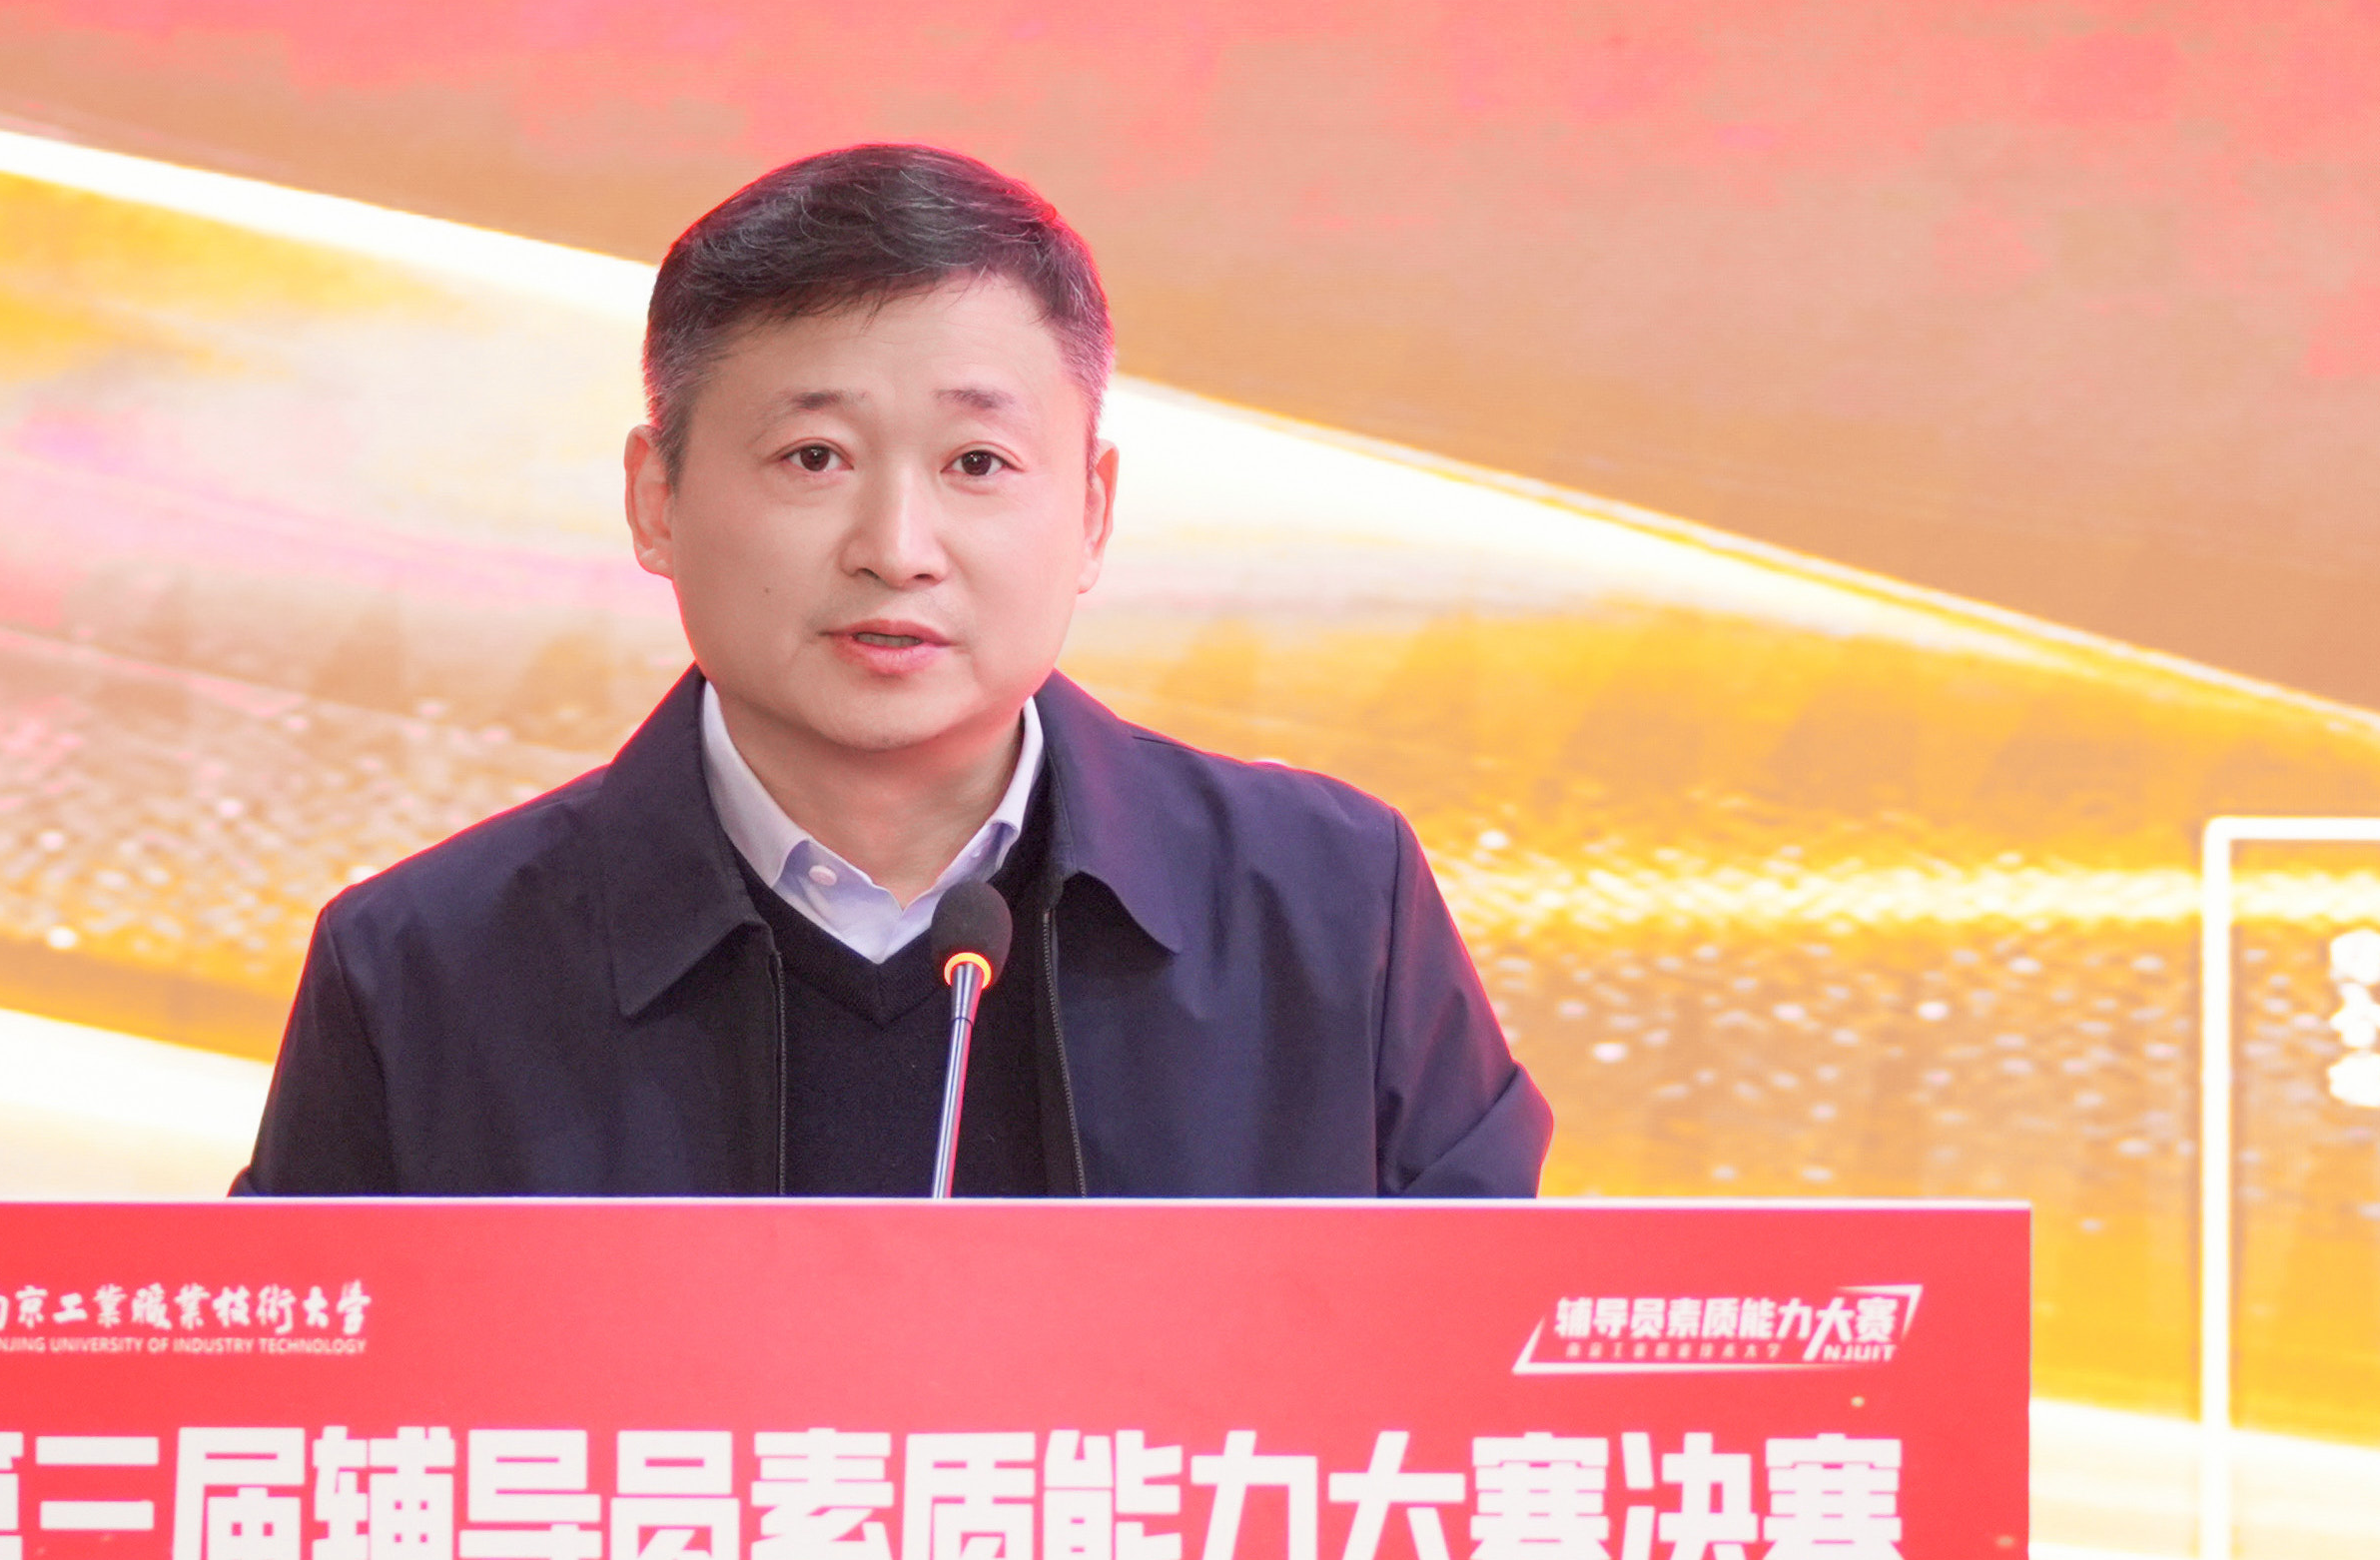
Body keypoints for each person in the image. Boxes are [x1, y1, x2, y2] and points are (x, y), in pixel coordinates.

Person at [236, 144, 1546, 1199]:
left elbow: (1495, 1378)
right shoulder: (423, 974)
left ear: (1092, 512)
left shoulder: (1329, 912)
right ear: (656, 498)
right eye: (815, 459)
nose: (896, 548)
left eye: (978, 464)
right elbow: (288, 1406)